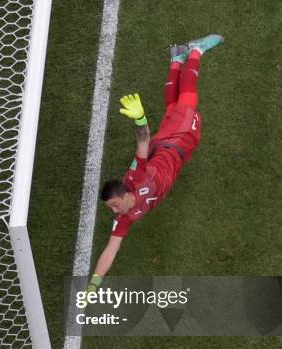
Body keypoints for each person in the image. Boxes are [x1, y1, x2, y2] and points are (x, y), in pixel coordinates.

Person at [87, 34, 225, 293]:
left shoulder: (136, 177)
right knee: (173, 105)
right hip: (170, 147)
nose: (115, 212)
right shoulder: (125, 217)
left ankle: (195, 52)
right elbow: (111, 249)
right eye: (111, 208)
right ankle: (176, 58)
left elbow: (142, 142)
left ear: (127, 194)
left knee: (187, 101)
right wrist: (95, 283)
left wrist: (140, 120)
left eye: (115, 205)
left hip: (176, 141)